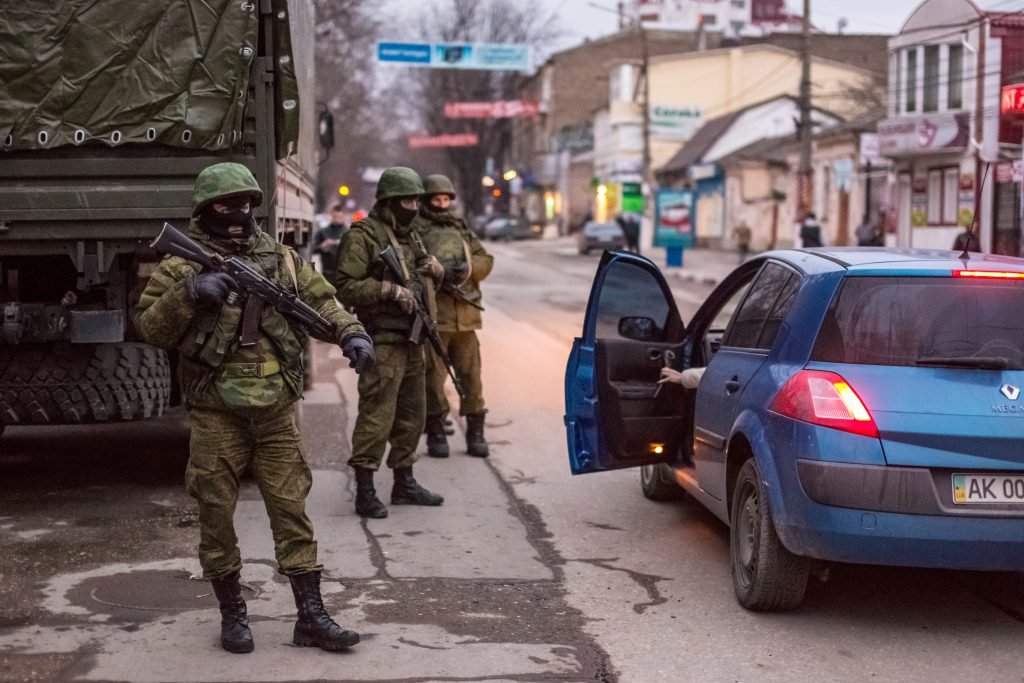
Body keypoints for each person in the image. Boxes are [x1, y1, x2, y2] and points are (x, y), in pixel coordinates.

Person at [134, 162, 374, 654]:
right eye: (227, 205)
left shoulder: (282, 260)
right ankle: (232, 615)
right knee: (216, 513)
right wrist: (189, 294)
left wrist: (352, 333)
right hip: (215, 410)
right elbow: (151, 329)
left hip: (274, 412)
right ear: (206, 211)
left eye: (246, 203)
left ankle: (310, 615)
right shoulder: (183, 264)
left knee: (292, 511)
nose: (239, 213)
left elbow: (322, 302)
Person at [334, 167, 445, 519]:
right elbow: (345, 286)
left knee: (412, 414)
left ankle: (404, 482)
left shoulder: (412, 237)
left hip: (414, 339)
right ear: (388, 202)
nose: (413, 206)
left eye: (416, 200)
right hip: (382, 340)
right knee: (377, 415)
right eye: (407, 200)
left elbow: (421, 282)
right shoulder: (364, 236)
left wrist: (434, 271)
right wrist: (388, 290)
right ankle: (365, 490)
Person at [413, 174, 494, 459]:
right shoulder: (415, 231)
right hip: (436, 318)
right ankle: (436, 431)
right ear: (426, 201)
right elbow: (411, 266)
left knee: (472, 377)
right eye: (436, 199)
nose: (442, 204)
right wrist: (437, 274)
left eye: (446, 199)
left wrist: (468, 271)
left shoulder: (460, 229)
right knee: (433, 379)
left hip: (466, 318)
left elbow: (485, 259)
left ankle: (476, 433)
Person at [312, 204, 347, 276]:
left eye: (339, 217)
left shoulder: (348, 232)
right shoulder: (323, 231)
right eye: (335, 217)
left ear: (343, 217)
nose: (337, 219)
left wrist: (340, 243)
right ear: (331, 216)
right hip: (327, 272)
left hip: (344, 273)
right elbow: (313, 249)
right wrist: (323, 246)